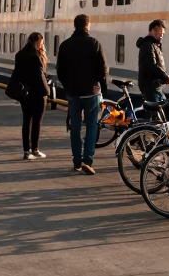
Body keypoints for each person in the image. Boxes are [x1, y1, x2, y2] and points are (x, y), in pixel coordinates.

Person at [56, 14, 108, 174]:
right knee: (92, 126)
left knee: (75, 128)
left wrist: (68, 86)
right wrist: (103, 90)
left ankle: (77, 161)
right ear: (87, 25)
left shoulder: (65, 45)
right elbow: (102, 70)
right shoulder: (94, 44)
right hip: (90, 94)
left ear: (74, 25)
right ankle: (88, 160)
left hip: (73, 93)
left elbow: (60, 71)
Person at [12, 31, 49, 159]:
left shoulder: (20, 55)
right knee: (37, 121)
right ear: (38, 42)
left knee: (26, 120)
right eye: (42, 42)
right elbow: (40, 76)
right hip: (37, 92)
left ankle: (26, 151)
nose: (43, 44)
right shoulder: (37, 56)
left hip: (24, 93)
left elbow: (18, 73)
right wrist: (47, 91)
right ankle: (35, 149)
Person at [137, 20, 169, 103]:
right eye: (160, 31)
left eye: (163, 32)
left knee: (164, 108)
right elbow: (152, 65)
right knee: (157, 112)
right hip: (150, 86)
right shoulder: (148, 45)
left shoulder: (154, 44)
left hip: (156, 86)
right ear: (152, 31)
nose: (161, 34)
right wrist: (167, 78)